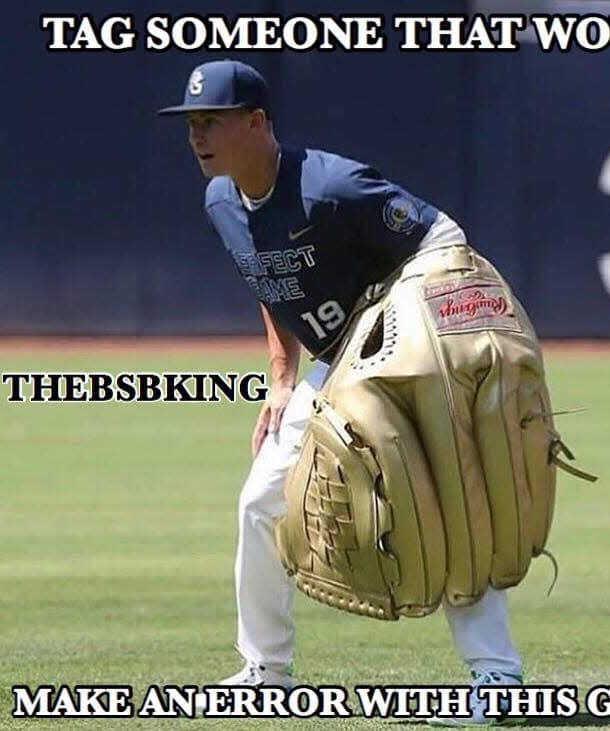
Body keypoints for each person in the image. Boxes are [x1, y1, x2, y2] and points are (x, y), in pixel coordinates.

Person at [159, 59, 523, 726]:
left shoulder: (331, 187)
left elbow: (444, 237)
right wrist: (281, 378)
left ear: (257, 123)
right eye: (191, 123)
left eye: (211, 120)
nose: (197, 135)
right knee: (261, 501)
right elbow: (268, 280)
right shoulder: (221, 201)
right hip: (335, 366)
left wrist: (408, 331)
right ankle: (265, 673)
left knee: (444, 500)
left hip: (401, 356)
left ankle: (497, 677)